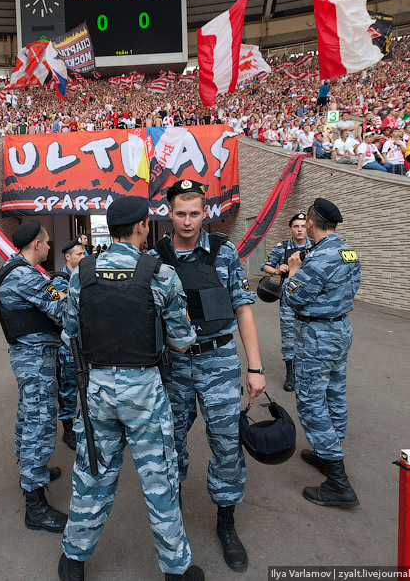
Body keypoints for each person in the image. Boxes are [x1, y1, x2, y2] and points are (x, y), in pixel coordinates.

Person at [59, 195, 204, 581]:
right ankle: (176, 568)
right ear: (143, 226)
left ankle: (73, 558)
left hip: (97, 390)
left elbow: (69, 335)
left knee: (92, 474)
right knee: (160, 479)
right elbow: (181, 341)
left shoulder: (82, 273)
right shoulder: (160, 274)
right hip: (144, 391)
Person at [152, 179, 264, 572]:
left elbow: (243, 308)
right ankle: (175, 524)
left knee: (227, 442)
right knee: (171, 444)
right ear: (169, 212)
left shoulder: (224, 252)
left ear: (206, 212)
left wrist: (255, 368)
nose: (187, 221)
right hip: (174, 365)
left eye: (194, 213)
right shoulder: (156, 258)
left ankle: (226, 524)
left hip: (219, 361)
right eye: (180, 213)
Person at [281, 198, 362, 508]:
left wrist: (294, 271)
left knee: (311, 401)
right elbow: (354, 285)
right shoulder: (348, 251)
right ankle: (329, 451)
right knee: (334, 392)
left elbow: (293, 298)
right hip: (340, 329)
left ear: (311, 224)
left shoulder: (317, 259)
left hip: (317, 335)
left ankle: (338, 482)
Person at [0, 220, 68, 533]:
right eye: (47, 243)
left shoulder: (14, 268)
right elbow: (61, 310)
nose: (49, 248)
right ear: (36, 244)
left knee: (28, 414)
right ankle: (35, 506)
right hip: (34, 359)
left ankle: (32, 471)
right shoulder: (25, 274)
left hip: (28, 356)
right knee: (39, 420)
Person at [262, 213, 314, 392]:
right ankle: (290, 373)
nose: (300, 230)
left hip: (309, 299)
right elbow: (265, 265)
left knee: (310, 335)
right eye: (296, 226)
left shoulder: (316, 247)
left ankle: (307, 372)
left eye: (303, 226)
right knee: (288, 336)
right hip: (288, 300)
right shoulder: (282, 247)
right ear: (290, 229)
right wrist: (277, 270)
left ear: (308, 228)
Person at [52, 238, 86, 450]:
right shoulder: (59, 280)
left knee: (86, 386)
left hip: (84, 342)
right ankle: (68, 429)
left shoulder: (83, 277)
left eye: (84, 253)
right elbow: (63, 305)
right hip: (67, 345)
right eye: (79, 254)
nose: (83, 257)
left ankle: (83, 425)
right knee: (68, 388)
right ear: (68, 257)